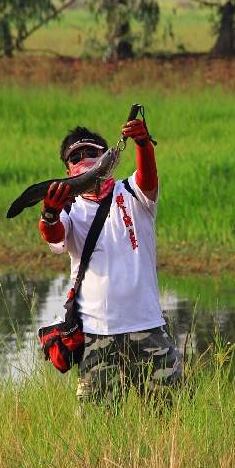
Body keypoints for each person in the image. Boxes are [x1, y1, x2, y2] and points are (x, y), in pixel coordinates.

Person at [38, 119, 182, 403]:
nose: (84, 160)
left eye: (92, 153)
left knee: (170, 420)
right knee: (96, 426)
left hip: (147, 327)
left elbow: (148, 178)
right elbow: (54, 236)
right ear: (67, 171)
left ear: (107, 157)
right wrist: (49, 215)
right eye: (75, 157)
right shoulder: (69, 208)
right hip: (95, 335)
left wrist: (143, 144)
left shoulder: (132, 193)